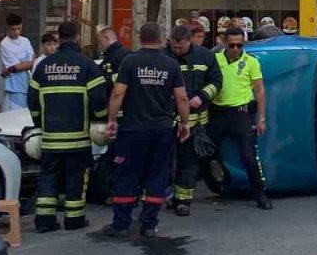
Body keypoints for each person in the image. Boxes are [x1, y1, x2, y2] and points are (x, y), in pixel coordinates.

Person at [102, 23, 190, 238]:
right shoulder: (170, 64)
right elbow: (181, 97)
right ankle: (149, 224)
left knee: (126, 174)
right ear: (161, 39)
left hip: (133, 129)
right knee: (157, 175)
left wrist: (112, 119)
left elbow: (117, 94)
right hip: (161, 130)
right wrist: (184, 123)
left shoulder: (130, 61)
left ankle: (121, 224)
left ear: (140, 38)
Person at [28, 22, 108, 233]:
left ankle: (44, 221)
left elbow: (32, 100)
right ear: (78, 37)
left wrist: (39, 124)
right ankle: (74, 220)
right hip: (78, 137)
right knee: (76, 179)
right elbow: (99, 99)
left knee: (48, 178)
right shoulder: (87, 65)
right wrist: (99, 120)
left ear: (58, 38)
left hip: (50, 138)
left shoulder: (44, 66)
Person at [208, 27, 271, 209]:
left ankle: (260, 194)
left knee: (249, 156)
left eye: (239, 45)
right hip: (218, 113)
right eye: (232, 45)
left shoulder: (250, 62)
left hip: (241, 114)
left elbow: (259, 90)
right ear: (224, 43)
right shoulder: (215, 59)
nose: (236, 49)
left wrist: (261, 118)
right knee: (203, 151)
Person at [165, 24, 222, 216]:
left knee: (188, 162)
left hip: (195, 120)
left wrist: (202, 97)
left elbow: (216, 81)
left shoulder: (205, 56)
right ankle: (163, 196)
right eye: (174, 46)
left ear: (190, 42)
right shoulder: (163, 56)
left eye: (180, 47)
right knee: (163, 161)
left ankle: (183, 200)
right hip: (166, 119)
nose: (177, 50)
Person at [0, 13, 35, 110]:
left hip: (27, 84)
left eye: (18, 28)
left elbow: (32, 61)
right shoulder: (4, 44)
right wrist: (27, 64)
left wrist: (26, 64)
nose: (16, 32)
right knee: (14, 115)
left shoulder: (25, 41)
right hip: (13, 87)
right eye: (13, 29)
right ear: (7, 28)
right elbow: (16, 67)